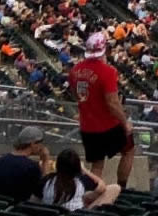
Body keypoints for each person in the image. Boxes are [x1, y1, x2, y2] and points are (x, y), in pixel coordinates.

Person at [69, 30, 134, 189]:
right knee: (129, 150)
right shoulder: (108, 72)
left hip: (87, 126)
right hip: (108, 125)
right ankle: (122, 188)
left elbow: (75, 94)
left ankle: (91, 193)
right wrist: (125, 123)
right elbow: (112, 102)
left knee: (97, 165)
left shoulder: (74, 71)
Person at [43, 147, 115, 210]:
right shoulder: (81, 179)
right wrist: (85, 170)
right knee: (115, 188)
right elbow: (102, 187)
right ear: (78, 166)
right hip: (77, 213)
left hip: (52, 212)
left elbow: (43, 182)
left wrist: (45, 161)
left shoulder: (48, 180)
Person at [0, 126, 48, 201]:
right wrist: (45, 161)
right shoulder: (31, 167)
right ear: (33, 144)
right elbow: (43, 193)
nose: (42, 146)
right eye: (40, 142)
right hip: (18, 209)